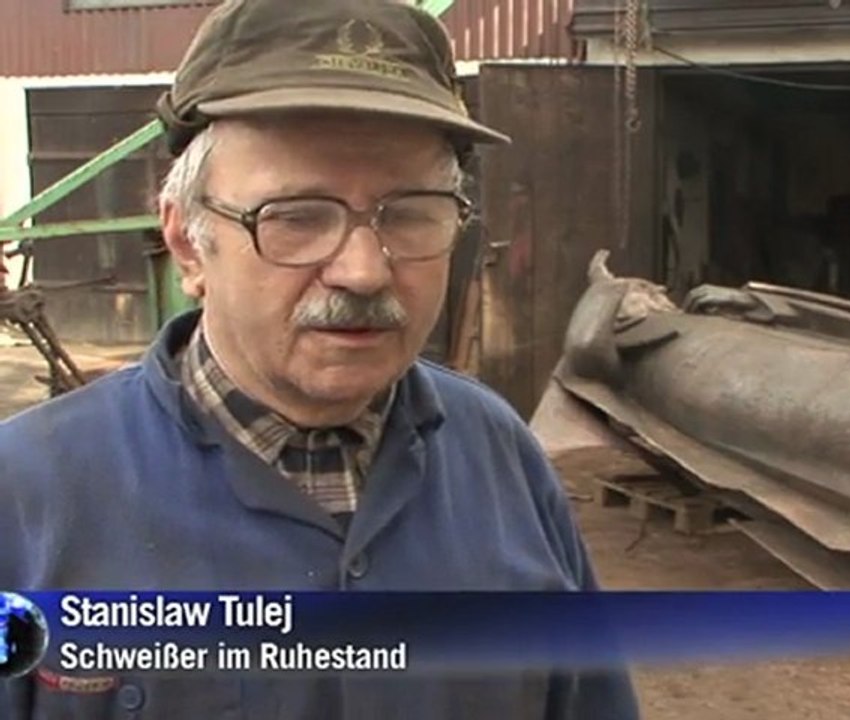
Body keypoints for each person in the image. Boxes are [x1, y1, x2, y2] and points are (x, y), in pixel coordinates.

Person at [0, 0, 639, 717]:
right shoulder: (25, 495)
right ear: (187, 242)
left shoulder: (500, 456)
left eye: (410, 212)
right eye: (297, 216)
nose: (363, 271)